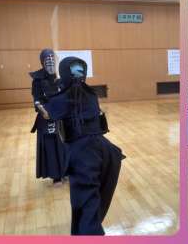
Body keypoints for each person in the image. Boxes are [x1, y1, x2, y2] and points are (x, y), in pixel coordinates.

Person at [45, 56, 125, 235]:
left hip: (83, 155)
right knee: (93, 206)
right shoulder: (91, 95)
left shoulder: (58, 100)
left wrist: (53, 91)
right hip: (106, 150)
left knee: (87, 209)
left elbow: (50, 112)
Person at [30, 49, 67, 186]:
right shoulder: (38, 80)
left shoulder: (60, 76)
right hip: (47, 117)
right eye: (47, 60)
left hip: (61, 116)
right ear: (42, 62)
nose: (50, 62)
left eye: (52, 59)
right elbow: (37, 99)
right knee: (51, 146)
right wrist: (44, 111)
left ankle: (65, 171)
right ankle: (56, 176)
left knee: (64, 144)